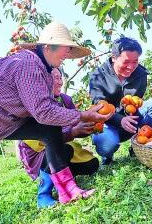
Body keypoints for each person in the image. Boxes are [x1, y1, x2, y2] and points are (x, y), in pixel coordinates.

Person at [0, 21, 113, 224]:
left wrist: (78, 122)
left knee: (49, 129)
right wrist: (83, 115)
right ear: (48, 47)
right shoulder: (28, 64)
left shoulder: (42, 69)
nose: (67, 54)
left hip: (1, 121)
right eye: (66, 49)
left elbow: (47, 114)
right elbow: (43, 112)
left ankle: (68, 191)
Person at [18, 68, 99, 208]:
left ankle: (62, 180)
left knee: (92, 164)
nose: (60, 82)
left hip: (62, 148)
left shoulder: (65, 100)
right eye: (54, 78)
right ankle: (43, 194)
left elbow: (75, 126)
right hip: (38, 155)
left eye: (60, 77)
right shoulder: (33, 103)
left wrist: (89, 128)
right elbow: (43, 141)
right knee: (63, 150)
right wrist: (73, 132)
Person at [89, 37, 152, 165]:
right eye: (126, 61)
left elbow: (138, 101)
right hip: (108, 122)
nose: (131, 67)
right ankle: (107, 156)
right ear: (114, 58)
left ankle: (138, 145)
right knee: (107, 144)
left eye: (135, 61)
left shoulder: (141, 74)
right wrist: (120, 120)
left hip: (131, 119)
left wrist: (131, 116)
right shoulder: (98, 76)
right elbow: (98, 107)